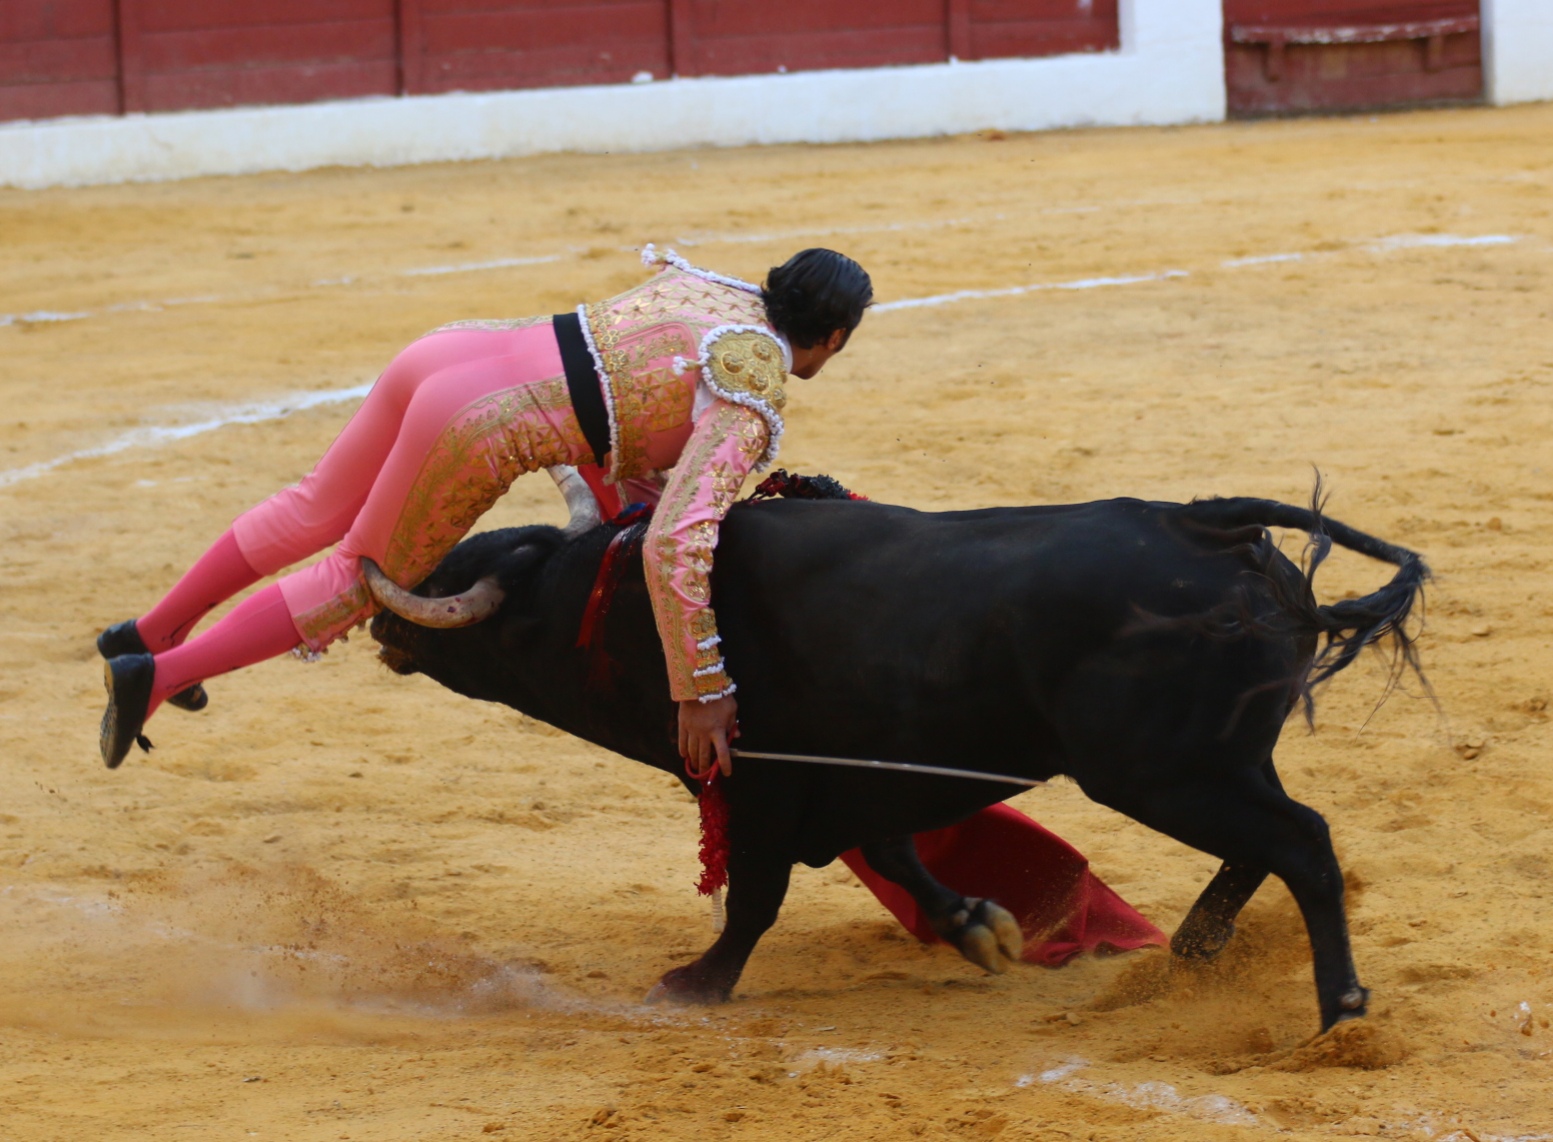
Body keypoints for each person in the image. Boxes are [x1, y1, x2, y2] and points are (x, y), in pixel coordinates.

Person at [98, 245, 873, 778]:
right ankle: (158, 673)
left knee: (314, 506)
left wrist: (617, 499)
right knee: (355, 577)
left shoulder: (711, 292)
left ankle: (152, 627)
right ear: (832, 337)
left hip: (449, 353)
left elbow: (619, 408)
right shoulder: (749, 393)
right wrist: (700, 688)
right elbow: (676, 540)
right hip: (478, 421)